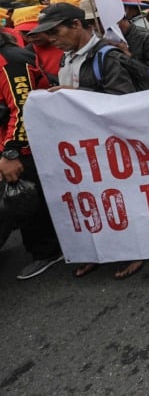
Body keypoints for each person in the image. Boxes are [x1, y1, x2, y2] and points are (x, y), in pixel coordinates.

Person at [30, 2, 145, 279]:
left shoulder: (108, 57)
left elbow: (124, 102)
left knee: (119, 198)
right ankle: (95, 251)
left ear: (77, 25)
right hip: (79, 147)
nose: (51, 39)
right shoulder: (66, 57)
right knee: (88, 200)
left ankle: (135, 250)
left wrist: (73, 94)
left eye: (55, 32)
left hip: (109, 145)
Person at [1, 28, 61, 280]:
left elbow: (23, 107)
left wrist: (12, 152)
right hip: (11, 144)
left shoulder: (11, 61)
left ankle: (46, 252)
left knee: (26, 198)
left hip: (28, 145)